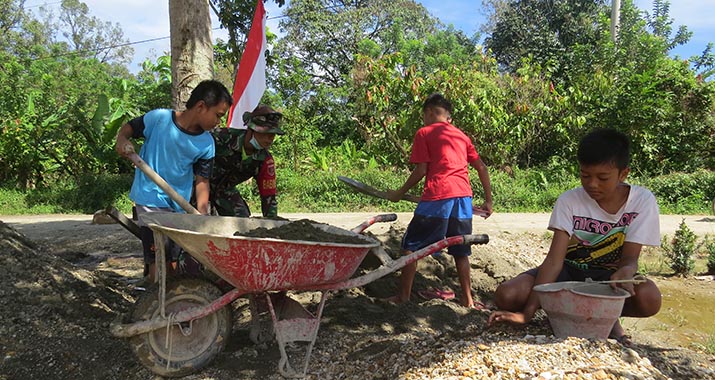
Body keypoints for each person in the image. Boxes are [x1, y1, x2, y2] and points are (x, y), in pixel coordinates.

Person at [487, 128, 662, 345]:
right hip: (566, 274)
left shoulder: (642, 201)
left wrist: (626, 272)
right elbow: (553, 262)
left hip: (608, 280)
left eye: (603, 178)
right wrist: (527, 313)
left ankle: (605, 316)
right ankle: (572, 310)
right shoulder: (569, 201)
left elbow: (629, 260)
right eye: (585, 175)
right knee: (507, 295)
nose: (592, 184)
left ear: (623, 174)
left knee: (649, 298)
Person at [115, 79, 233, 283]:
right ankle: (158, 302)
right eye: (218, 115)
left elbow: (202, 181)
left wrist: (202, 215)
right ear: (201, 106)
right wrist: (122, 140)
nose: (218, 122)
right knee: (158, 257)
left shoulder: (206, 143)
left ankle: (170, 300)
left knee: (173, 260)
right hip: (149, 199)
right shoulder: (159, 119)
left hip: (179, 205)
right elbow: (129, 128)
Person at [384, 93, 494, 309]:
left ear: (429, 112)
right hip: (463, 199)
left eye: (424, 115)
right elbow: (482, 167)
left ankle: (403, 297)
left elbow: (421, 170)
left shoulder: (424, 132)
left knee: (411, 246)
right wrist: (488, 201)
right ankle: (468, 300)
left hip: (438, 195)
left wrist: (398, 193)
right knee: (461, 249)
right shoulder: (461, 136)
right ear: (448, 117)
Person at [210, 104, 285, 218]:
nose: (270, 138)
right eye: (266, 133)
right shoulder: (221, 138)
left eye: (273, 134)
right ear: (251, 129)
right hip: (197, 184)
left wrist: (272, 225)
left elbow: (268, 196)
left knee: (243, 221)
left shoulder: (265, 160)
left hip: (224, 190)